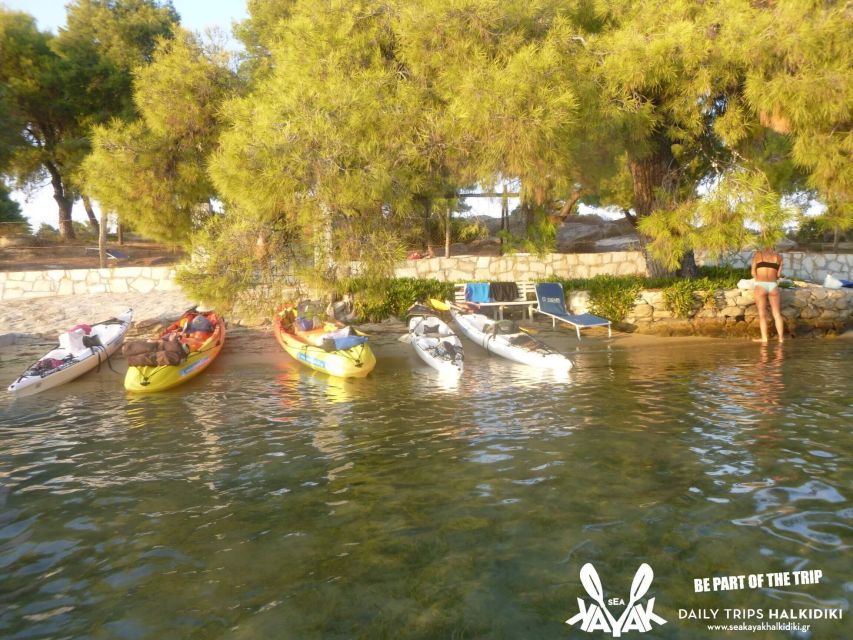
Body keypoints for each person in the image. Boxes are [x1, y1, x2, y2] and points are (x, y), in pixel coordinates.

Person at [751, 247, 785, 343]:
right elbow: (778, 275)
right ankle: (781, 339)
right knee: (777, 314)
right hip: (773, 286)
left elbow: (753, 273)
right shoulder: (778, 257)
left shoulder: (758, 255)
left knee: (762, 314)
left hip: (761, 285)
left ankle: (764, 338)